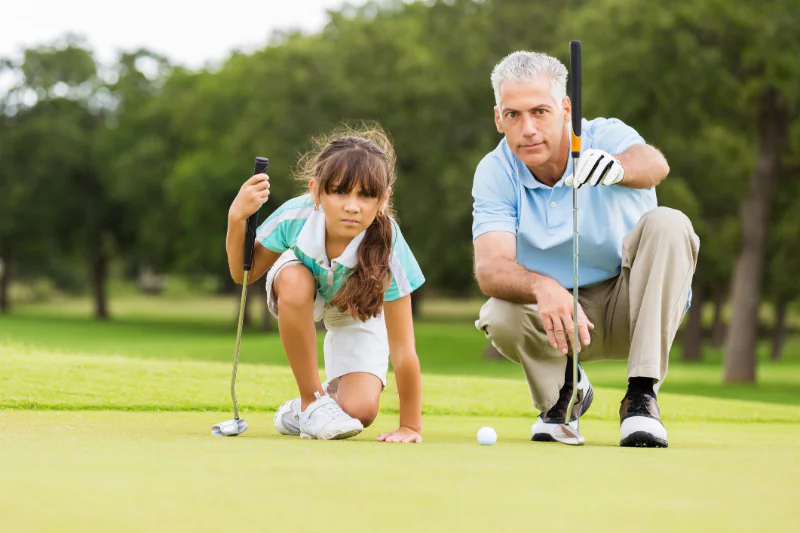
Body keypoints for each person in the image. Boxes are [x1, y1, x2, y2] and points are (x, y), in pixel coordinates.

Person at [472, 51, 700, 447]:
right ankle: (566, 392)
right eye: (513, 115)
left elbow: (655, 164)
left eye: (540, 111)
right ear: (498, 118)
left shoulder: (602, 134)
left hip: (637, 304)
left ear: (565, 109)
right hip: (559, 319)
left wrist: (617, 167)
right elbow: (490, 268)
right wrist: (543, 287)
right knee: (499, 312)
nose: (527, 128)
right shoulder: (495, 171)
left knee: (670, 222)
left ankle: (641, 398)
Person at [225, 126, 424, 442]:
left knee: (361, 411)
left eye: (366, 195)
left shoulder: (390, 246)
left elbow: (403, 349)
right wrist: (237, 218)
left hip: (356, 311)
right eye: (340, 192)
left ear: (383, 199)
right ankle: (311, 400)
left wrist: (410, 426)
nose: (352, 206)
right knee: (294, 279)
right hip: (302, 290)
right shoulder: (296, 215)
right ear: (317, 192)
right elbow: (244, 275)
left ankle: (298, 412)